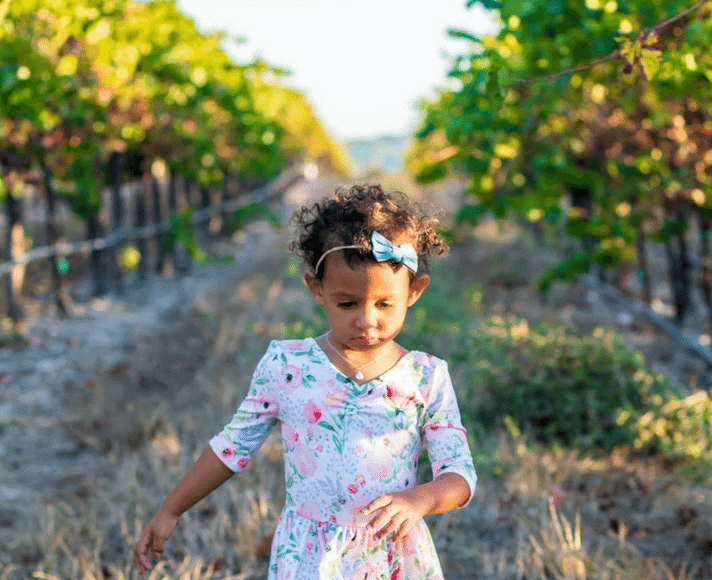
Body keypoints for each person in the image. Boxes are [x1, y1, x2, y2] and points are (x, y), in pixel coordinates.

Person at [133, 184, 477, 579]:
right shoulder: (287, 365)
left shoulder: (427, 376)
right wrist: (171, 509)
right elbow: (232, 448)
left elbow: (460, 474)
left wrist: (422, 498)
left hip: (391, 558)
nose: (366, 320)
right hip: (309, 559)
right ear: (317, 289)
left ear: (414, 292)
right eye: (347, 303)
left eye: (385, 304)